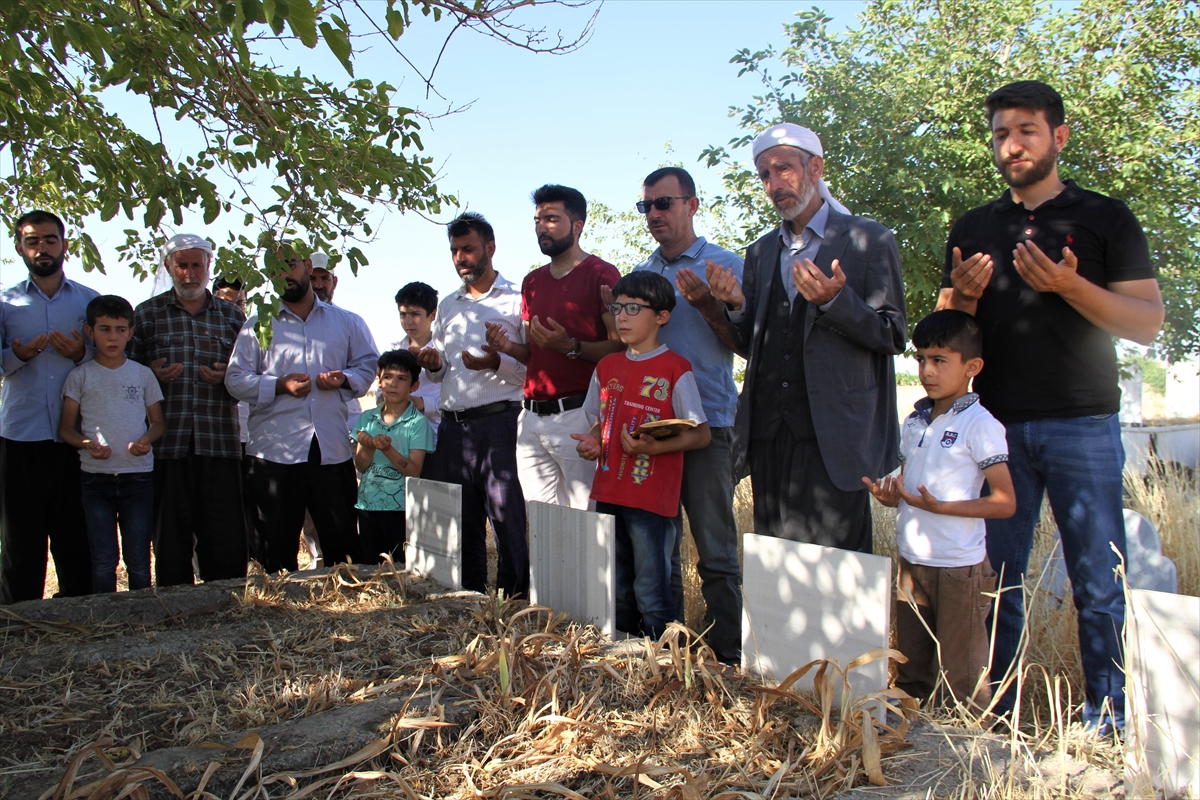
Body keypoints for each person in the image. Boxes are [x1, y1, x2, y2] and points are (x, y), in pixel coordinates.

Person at [938, 81, 1164, 731]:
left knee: (1097, 580)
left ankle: (1108, 717)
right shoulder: (975, 227)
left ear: (1057, 137)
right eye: (1002, 134)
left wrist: (1069, 284)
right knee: (996, 581)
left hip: (1084, 425)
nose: (1012, 146)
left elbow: (1147, 323)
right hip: (997, 430)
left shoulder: (1105, 218)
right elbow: (945, 338)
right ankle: (995, 714)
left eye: (1026, 131)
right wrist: (963, 296)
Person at [707, 123, 907, 553]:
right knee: (778, 567)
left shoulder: (868, 239)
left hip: (835, 439)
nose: (774, 183)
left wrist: (838, 303)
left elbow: (892, 335)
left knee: (837, 572)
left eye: (784, 169)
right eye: (764, 174)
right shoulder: (761, 252)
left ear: (815, 168)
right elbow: (752, 346)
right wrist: (736, 306)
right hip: (769, 437)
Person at [864, 310, 1016, 712]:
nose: (927, 371)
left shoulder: (980, 425)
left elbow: (1005, 501)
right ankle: (914, 750)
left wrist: (941, 507)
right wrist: (890, 490)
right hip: (913, 562)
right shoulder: (915, 421)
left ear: (972, 367)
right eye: (920, 359)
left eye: (939, 360)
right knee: (911, 668)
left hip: (958, 567)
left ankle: (971, 757)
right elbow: (912, 475)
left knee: (962, 675)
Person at [630, 167, 744, 664]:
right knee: (659, 548)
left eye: (665, 203)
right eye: (646, 206)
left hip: (708, 425)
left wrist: (710, 305)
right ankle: (671, 649)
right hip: (654, 431)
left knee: (716, 551)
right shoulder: (643, 275)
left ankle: (727, 656)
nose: (655, 214)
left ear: (693, 205)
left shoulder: (726, 265)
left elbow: (747, 346)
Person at [573, 272, 710, 640]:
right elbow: (600, 423)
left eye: (634, 308)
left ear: (662, 316)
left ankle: (663, 665)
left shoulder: (675, 368)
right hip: (609, 492)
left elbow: (701, 433)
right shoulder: (607, 367)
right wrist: (592, 444)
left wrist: (655, 447)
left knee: (651, 590)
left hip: (651, 500)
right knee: (617, 587)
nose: (622, 316)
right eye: (617, 307)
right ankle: (627, 668)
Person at [225, 247, 378, 573]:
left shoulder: (346, 322)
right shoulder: (258, 326)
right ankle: (280, 615)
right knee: (275, 550)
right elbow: (235, 380)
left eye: (290, 265)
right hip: (273, 454)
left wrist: (343, 378)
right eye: (275, 269)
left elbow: (367, 367)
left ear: (307, 266)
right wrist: (278, 385)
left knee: (341, 546)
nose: (284, 275)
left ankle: (348, 611)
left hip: (330, 450)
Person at [485, 185, 621, 511]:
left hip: (578, 415)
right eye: (537, 220)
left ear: (577, 225)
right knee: (542, 524)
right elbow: (534, 354)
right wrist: (507, 347)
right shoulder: (532, 282)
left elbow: (620, 350)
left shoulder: (602, 274)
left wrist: (570, 346)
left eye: (551, 219)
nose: (541, 227)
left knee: (586, 523)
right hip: (530, 418)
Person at [415, 212, 529, 598]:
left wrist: (496, 361)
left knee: (507, 517)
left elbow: (532, 370)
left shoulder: (517, 299)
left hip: (500, 423)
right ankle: (469, 600)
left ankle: (513, 602)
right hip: (452, 427)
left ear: (490, 248)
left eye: (468, 249)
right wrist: (432, 365)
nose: (460, 257)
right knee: (461, 520)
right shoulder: (448, 306)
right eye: (454, 251)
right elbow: (440, 371)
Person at [128, 235, 248, 586]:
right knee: (170, 533)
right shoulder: (146, 315)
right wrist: (152, 375)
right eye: (182, 265)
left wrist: (229, 376)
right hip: (168, 441)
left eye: (197, 265)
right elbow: (125, 374)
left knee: (224, 533)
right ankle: (175, 608)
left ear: (209, 267)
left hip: (220, 440)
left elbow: (252, 374)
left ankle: (226, 603)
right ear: (169, 267)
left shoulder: (232, 317)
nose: (190, 273)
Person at [0, 210, 98, 603]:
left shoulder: (89, 301)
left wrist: (81, 353)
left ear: (64, 246)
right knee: (21, 536)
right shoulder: (6, 303)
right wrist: (15, 356)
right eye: (32, 240)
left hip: (76, 436)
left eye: (49, 239)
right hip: (20, 434)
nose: (42, 247)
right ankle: (19, 620)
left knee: (76, 533)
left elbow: (108, 359)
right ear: (20, 248)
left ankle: (79, 613)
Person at [59, 295, 166, 594]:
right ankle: (106, 622)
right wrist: (86, 444)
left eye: (120, 329)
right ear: (89, 332)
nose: (113, 337)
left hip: (138, 477)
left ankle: (143, 614)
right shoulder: (79, 376)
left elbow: (157, 423)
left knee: (139, 560)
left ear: (131, 333)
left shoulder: (143, 374)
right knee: (104, 559)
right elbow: (66, 428)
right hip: (96, 480)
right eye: (104, 329)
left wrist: (145, 441)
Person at [354, 349, 434, 565]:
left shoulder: (418, 423)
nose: (393, 384)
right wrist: (369, 446)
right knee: (370, 566)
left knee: (399, 566)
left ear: (414, 386)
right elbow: (360, 464)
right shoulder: (366, 418)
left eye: (402, 379)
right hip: (368, 506)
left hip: (401, 508)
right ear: (378, 381)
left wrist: (387, 448)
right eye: (387, 377)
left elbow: (414, 470)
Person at [390, 282, 442, 454]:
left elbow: (457, 396)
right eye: (403, 314)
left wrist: (422, 403)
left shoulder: (446, 351)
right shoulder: (393, 351)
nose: (408, 321)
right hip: (399, 443)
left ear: (432, 314)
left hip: (436, 439)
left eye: (415, 314)